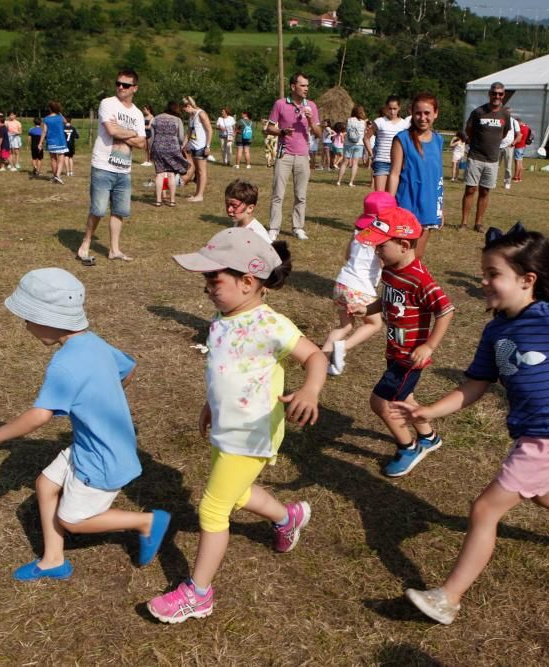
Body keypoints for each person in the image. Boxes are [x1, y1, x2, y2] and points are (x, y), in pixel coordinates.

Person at [398, 223, 549, 626]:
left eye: (493, 275)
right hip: (540, 435)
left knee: (485, 510)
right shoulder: (495, 330)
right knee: (546, 493)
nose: (483, 282)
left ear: (527, 280)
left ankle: (448, 598)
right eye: (483, 273)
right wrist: (431, 411)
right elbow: (475, 385)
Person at [147, 228, 327, 624]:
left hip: (252, 431)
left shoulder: (270, 325)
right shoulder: (219, 319)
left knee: (213, 508)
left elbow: (315, 357)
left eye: (214, 279)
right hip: (225, 426)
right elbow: (223, 371)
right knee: (239, 492)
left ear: (248, 282)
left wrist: (310, 390)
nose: (207, 288)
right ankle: (287, 517)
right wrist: (209, 406)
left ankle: (198, 594)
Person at [0, 268, 171, 581]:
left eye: (27, 318)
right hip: (93, 444)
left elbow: (40, 415)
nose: (25, 326)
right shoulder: (94, 343)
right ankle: (53, 560)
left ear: (47, 319)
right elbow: (128, 368)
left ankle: (146, 523)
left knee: (74, 520)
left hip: (102, 457)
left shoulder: (64, 365)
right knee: (45, 484)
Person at [351, 207, 455, 477]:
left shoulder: (420, 279)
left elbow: (445, 310)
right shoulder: (390, 271)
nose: (376, 252)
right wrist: (367, 310)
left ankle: (408, 447)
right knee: (404, 395)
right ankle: (429, 437)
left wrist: (428, 346)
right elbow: (387, 301)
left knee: (381, 403)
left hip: (409, 358)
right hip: (394, 350)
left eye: (380, 246)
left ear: (404, 244)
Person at [77, 70, 146, 265]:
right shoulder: (107, 103)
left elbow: (142, 143)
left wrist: (125, 132)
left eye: (125, 85)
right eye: (118, 83)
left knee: (119, 211)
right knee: (98, 210)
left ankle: (114, 250)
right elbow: (111, 130)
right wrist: (132, 133)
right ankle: (86, 242)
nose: (120, 87)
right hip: (103, 166)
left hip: (124, 170)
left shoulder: (138, 113)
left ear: (135, 88)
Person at [322, 191, 394, 376]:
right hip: (360, 288)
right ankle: (343, 348)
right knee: (374, 323)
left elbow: (347, 256)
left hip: (341, 283)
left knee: (344, 326)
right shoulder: (382, 241)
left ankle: (322, 361)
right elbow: (384, 263)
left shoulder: (357, 232)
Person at [266, 72, 322, 242]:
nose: (306, 89)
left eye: (307, 86)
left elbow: (319, 133)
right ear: (293, 86)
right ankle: (274, 228)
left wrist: (312, 121)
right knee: (278, 193)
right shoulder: (280, 104)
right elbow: (269, 128)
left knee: (301, 194)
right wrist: (282, 131)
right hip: (284, 153)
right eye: (303, 85)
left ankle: (298, 227)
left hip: (303, 155)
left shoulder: (311, 106)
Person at [388, 93, 444, 260]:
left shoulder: (439, 140)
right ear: (411, 112)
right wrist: (389, 207)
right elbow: (394, 174)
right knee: (398, 255)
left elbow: (438, 177)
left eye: (427, 113)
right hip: (406, 206)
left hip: (427, 207)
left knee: (416, 256)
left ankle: (407, 286)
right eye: (418, 113)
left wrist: (440, 209)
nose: (422, 118)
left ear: (436, 113)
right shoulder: (402, 139)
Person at [461, 82, 513, 232]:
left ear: (503, 95)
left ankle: (478, 223)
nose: (497, 96)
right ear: (489, 94)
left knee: (485, 191)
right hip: (476, 156)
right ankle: (464, 223)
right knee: (470, 189)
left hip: (492, 159)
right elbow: (468, 130)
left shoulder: (505, 114)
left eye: (500, 94)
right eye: (494, 93)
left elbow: (504, 133)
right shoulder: (478, 112)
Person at [151, 101, 188, 208]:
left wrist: (150, 150)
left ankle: (158, 201)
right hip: (173, 148)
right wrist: (180, 146)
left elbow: (152, 137)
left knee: (159, 174)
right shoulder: (177, 120)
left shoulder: (156, 118)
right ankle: (172, 201)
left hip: (158, 147)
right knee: (171, 174)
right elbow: (181, 137)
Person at [371, 96, 409, 192]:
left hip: (397, 163)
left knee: (391, 197)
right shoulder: (379, 121)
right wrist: (371, 154)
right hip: (381, 161)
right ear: (386, 108)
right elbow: (366, 138)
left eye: (395, 109)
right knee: (380, 196)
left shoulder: (405, 124)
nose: (392, 112)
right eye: (390, 108)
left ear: (399, 108)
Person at [182, 96, 212, 202]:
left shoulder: (201, 114)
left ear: (189, 106)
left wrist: (207, 146)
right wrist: (184, 144)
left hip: (201, 146)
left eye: (185, 108)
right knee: (197, 172)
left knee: (201, 171)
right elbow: (189, 132)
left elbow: (209, 130)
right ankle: (196, 194)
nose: (184, 111)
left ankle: (200, 195)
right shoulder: (191, 116)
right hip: (193, 146)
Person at [338, 106, 367, 187]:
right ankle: (351, 182)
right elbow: (364, 132)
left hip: (348, 143)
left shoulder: (349, 120)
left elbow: (346, 130)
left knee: (344, 162)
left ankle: (339, 181)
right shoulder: (363, 122)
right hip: (359, 144)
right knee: (355, 163)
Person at [41, 101, 68, 184]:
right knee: (61, 158)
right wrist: (59, 112)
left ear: (49, 109)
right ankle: (58, 175)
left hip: (50, 141)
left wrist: (40, 142)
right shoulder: (59, 117)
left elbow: (44, 131)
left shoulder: (46, 119)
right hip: (60, 141)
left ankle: (55, 176)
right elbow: (65, 122)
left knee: (53, 159)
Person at [498, 115, 521, 190]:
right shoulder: (499, 120)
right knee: (495, 166)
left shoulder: (514, 121)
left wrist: (513, 143)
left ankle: (507, 183)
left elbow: (519, 135)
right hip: (497, 146)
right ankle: (492, 182)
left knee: (508, 166)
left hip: (508, 147)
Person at [512, 117, 530, 183]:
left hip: (519, 146)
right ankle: (519, 177)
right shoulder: (526, 127)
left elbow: (519, 138)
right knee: (520, 162)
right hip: (523, 146)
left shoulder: (521, 128)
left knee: (517, 162)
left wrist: (513, 142)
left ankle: (515, 177)